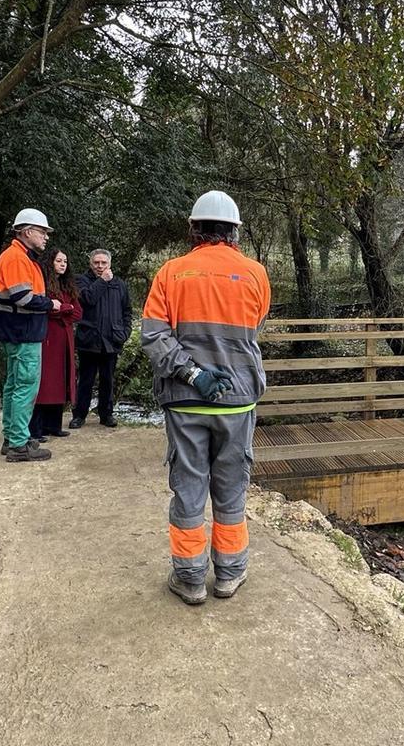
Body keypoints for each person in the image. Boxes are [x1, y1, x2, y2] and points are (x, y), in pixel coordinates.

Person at [141, 191, 271, 605]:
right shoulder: (255, 274)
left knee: (189, 489)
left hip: (186, 401)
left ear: (194, 229)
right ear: (234, 231)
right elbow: (254, 328)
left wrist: (193, 373)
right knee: (231, 489)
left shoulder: (170, 273)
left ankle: (191, 578)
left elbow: (154, 336)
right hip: (238, 401)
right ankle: (230, 574)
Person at [0, 209, 60, 462]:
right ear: (27, 231)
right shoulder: (17, 258)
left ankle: (12, 436)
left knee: (13, 386)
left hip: (15, 331)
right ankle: (19, 444)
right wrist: (50, 304)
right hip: (23, 332)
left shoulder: (19, 257)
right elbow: (23, 298)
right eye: (43, 232)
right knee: (25, 387)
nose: (46, 237)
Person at [70, 249, 132, 429]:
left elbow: (127, 310)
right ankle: (79, 415)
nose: (100, 266)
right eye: (96, 262)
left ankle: (106, 415)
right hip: (89, 340)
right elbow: (87, 299)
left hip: (111, 341)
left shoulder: (119, 284)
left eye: (103, 263)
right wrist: (102, 281)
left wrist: (125, 332)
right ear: (90, 263)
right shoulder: (81, 281)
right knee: (86, 380)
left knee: (108, 380)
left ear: (109, 264)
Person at [28, 248, 82, 440]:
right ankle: (37, 428)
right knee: (45, 382)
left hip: (64, 338)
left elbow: (78, 313)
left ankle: (53, 425)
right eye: (59, 260)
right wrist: (64, 309)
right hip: (48, 337)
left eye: (65, 261)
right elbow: (47, 309)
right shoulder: (43, 283)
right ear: (50, 262)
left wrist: (63, 309)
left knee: (61, 381)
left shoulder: (67, 286)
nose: (62, 264)